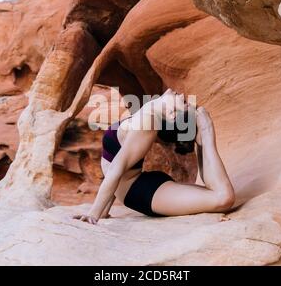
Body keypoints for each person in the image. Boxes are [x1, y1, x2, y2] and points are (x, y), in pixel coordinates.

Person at [73, 88, 235, 225]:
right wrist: (103, 211)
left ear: (171, 114)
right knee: (214, 195)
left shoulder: (148, 123)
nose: (180, 95)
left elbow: (116, 169)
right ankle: (203, 138)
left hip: (141, 193)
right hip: (145, 185)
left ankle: (206, 135)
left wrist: (94, 213)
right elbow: (112, 165)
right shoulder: (147, 112)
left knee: (223, 198)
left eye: (184, 103)